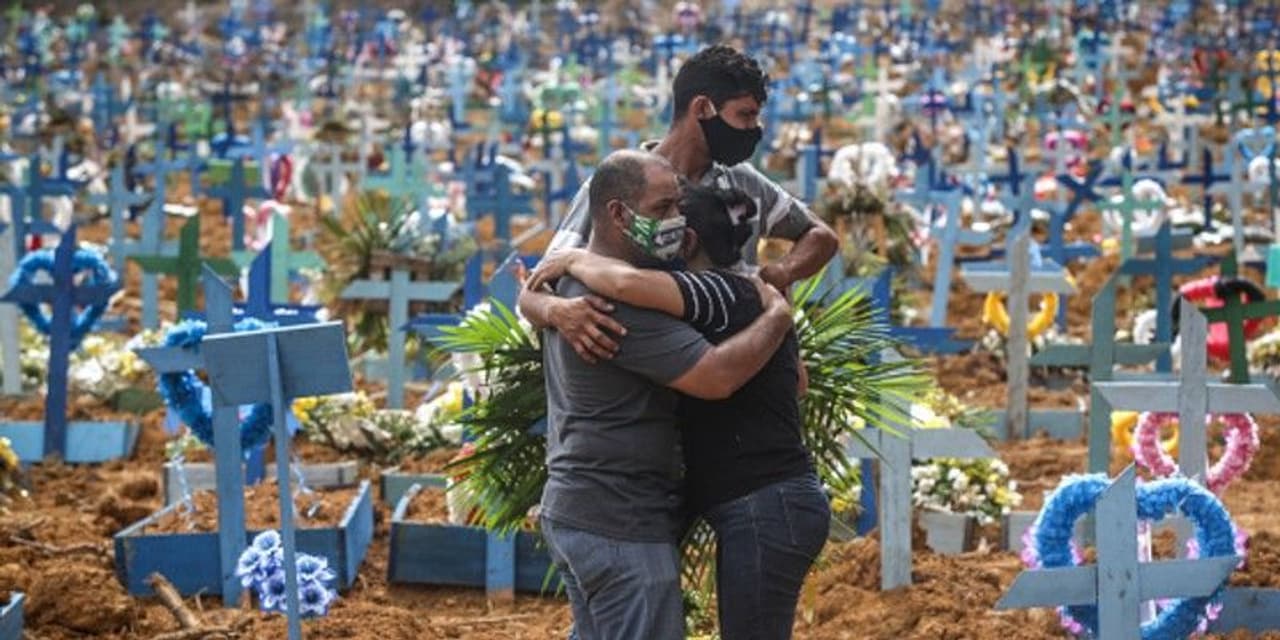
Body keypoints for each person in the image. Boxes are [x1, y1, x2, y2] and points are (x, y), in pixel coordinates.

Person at [527, 183, 829, 640]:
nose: (662, 225)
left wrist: (572, 259)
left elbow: (627, 285)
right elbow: (799, 382)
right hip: (768, 498)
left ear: (687, 241)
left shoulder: (712, 293)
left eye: (671, 213)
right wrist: (546, 304)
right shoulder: (746, 294)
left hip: (765, 500)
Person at [519, 44, 839, 363]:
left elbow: (821, 236)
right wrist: (558, 311)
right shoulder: (619, 185)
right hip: (649, 369)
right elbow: (535, 289)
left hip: (736, 368)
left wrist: (780, 273)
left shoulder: (743, 182)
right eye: (745, 115)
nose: (754, 130)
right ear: (702, 108)